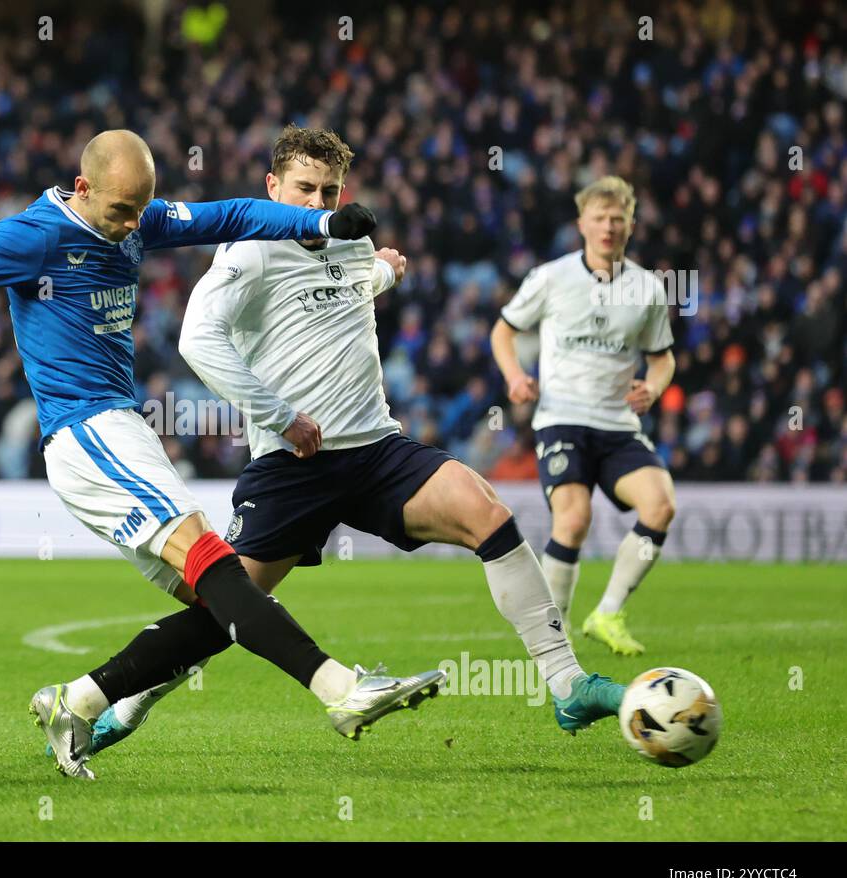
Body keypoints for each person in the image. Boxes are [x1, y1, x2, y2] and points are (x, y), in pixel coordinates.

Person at [0, 130, 443, 781]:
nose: (132, 226)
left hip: (120, 433)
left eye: (141, 210)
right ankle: (341, 690)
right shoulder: (34, 237)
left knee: (217, 602)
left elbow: (234, 212)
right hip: (87, 432)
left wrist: (323, 228)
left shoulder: (138, 215)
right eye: (120, 211)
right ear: (84, 188)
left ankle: (80, 702)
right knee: (215, 567)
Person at [86, 126, 625, 757]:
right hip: (294, 464)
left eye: (329, 189)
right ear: (271, 187)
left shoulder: (348, 242)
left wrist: (382, 273)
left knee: (489, 514)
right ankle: (124, 702)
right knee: (226, 613)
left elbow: (343, 291)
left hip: (376, 451)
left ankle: (567, 684)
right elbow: (198, 341)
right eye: (304, 188)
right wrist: (280, 415)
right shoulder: (249, 250)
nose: (317, 202)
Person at [490, 176, 677, 656]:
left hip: (617, 424)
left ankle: (608, 611)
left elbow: (662, 358)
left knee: (660, 505)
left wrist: (653, 388)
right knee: (573, 520)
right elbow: (502, 333)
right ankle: (555, 637)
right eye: (600, 218)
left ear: (631, 225)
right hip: (562, 419)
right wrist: (514, 377)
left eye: (618, 219)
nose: (608, 227)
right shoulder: (552, 277)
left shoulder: (648, 289)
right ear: (582, 224)